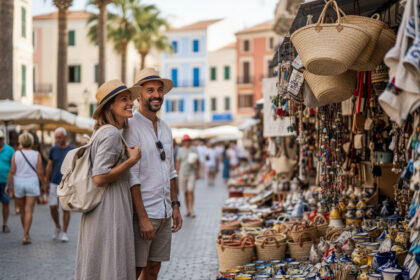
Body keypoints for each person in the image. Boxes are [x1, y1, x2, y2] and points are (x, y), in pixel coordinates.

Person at [75, 80, 142, 280]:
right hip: (109, 207)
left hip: (105, 206)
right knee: (111, 262)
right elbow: (99, 177)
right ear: (110, 106)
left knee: (101, 263)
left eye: (130, 98)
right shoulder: (111, 133)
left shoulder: (103, 132)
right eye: (124, 99)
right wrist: (132, 161)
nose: (130, 102)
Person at [124, 68, 183, 280]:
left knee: (154, 268)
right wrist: (142, 218)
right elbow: (132, 176)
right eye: (150, 90)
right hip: (144, 212)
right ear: (139, 95)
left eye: (159, 90)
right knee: (135, 270)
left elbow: (171, 170)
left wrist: (175, 206)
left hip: (165, 211)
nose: (157, 95)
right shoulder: (130, 125)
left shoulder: (166, 128)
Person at [5, 132, 47, 244]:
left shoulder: (16, 154)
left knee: (22, 211)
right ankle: (25, 235)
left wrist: (7, 185)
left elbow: (12, 171)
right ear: (32, 142)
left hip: (19, 183)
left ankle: (26, 233)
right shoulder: (36, 154)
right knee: (29, 211)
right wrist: (43, 184)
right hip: (32, 183)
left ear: (21, 142)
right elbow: (40, 171)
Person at [45, 127, 75, 242]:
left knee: (65, 208)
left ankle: (64, 232)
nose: (57, 139)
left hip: (67, 184)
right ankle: (58, 226)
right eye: (56, 137)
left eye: (59, 137)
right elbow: (49, 165)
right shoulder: (53, 149)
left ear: (65, 137)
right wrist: (46, 182)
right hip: (53, 183)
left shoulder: (72, 149)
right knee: (53, 207)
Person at [176, 135, 199, 217]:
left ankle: (192, 209)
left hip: (191, 172)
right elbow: (178, 162)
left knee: (190, 191)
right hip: (182, 173)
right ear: (183, 142)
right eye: (186, 141)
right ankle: (187, 210)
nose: (187, 142)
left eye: (188, 141)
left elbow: (198, 161)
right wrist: (177, 172)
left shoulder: (194, 149)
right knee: (185, 192)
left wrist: (197, 172)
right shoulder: (181, 150)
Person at [0, 130, 14, 233]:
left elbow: (13, 166)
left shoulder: (9, 150)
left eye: (0, 139)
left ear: (3, 139)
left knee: (6, 202)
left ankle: (5, 223)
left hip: (5, 181)